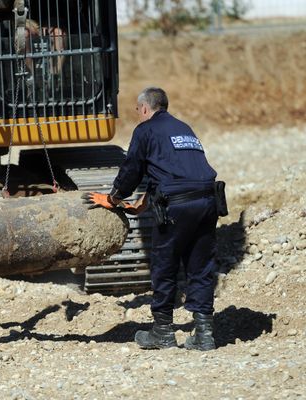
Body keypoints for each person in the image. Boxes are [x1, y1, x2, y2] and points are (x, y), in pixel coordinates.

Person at [82, 87, 219, 351]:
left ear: (145, 108)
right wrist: (145, 202)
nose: (138, 115)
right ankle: (204, 335)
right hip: (207, 201)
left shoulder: (145, 130)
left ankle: (163, 332)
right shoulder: (183, 128)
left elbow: (132, 169)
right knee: (200, 267)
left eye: (137, 110)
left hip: (177, 208)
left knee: (165, 265)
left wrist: (114, 197)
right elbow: (176, 172)